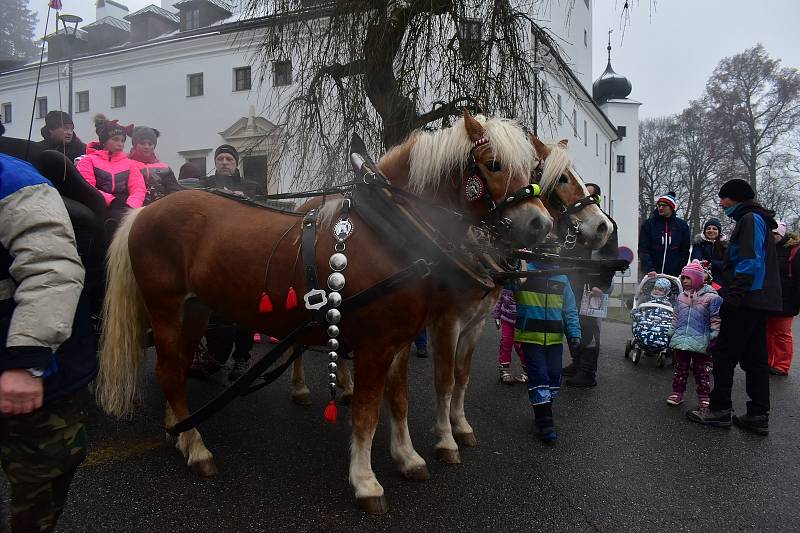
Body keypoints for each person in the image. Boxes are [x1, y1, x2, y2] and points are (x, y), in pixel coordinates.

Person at [0, 150, 97, 531]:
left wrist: (26, 359)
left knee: (43, 471)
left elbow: (51, 268)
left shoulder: (12, 179)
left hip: (25, 357)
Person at [687, 178, 781, 436]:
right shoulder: (757, 219)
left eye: (724, 198)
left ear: (736, 198)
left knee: (724, 355)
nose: (721, 202)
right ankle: (758, 414)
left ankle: (719, 410)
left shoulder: (750, 220)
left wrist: (734, 297)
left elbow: (750, 262)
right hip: (759, 300)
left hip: (747, 299)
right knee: (755, 359)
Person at [513, 261, 581, 443]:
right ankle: (545, 421)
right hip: (530, 337)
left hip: (554, 339)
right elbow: (504, 281)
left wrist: (574, 334)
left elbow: (569, 310)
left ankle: (543, 410)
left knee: (553, 377)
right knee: (539, 377)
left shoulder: (562, 278)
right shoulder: (523, 272)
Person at [563, 183, 618, 388]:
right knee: (573, 324)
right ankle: (576, 363)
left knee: (589, 326)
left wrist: (602, 285)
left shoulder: (606, 224)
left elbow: (611, 257)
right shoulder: (572, 223)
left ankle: (588, 372)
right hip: (574, 282)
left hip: (594, 285)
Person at [76, 115, 145, 241]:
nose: (120, 144)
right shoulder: (88, 161)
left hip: (126, 206)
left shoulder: (129, 163)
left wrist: (131, 205)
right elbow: (87, 186)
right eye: (115, 139)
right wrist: (111, 200)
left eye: (123, 140)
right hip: (99, 205)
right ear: (104, 141)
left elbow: (138, 188)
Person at [666, 261, 721, 408]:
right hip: (682, 339)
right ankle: (677, 393)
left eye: (688, 278)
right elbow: (676, 317)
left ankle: (704, 396)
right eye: (683, 278)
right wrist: (671, 332)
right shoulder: (681, 297)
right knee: (680, 369)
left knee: (701, 371)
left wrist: (714, 337)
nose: (684, 281)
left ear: (697, 278)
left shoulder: (712, 298)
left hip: (701, 340)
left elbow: (715, 319)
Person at [766, 221, 800, 376]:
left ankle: (782, 365)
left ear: (782, 233)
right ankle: (768, 362)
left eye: (775, 233)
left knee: (782, 333)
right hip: (768, 297)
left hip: (787, 298)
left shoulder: (794, 250)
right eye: (770, 233)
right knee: (768, 331)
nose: (772, 236)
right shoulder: (766, 248)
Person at [638, 191, 691, 277]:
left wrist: (679, 270)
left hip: (673, 275)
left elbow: (684, 251)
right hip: (652, 274)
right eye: (659, 205)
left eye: (664, 205)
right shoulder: (648, 224)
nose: (661, 208)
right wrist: (649, 269)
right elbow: (643, 249)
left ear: (671, 207)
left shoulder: (682, 226)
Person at [128, 126, 181, 205]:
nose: (147, 147)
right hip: (135, 207)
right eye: (142, 143)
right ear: (135, 145)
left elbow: (174, 191)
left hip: (160, 208)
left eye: (150, 144)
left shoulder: (164, 168)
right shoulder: (126, 164)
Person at [492, 287, 527, 384]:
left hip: (521, 321)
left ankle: (527, 370)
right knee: (506, 342)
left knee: (520, 345)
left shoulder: (526, 283)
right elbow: (500, 300)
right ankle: (504, 370)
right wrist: (496, 315)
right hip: (506, 319)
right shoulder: (506, 286)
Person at [690, 218, 727, 286]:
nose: (711, 230)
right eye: (708, 228)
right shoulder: (699, 244)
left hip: (721, 281)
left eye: (714, 229)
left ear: (719, 231)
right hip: (702, 280)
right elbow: (695, 260)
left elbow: (727, 263)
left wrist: (712, 264)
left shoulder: (725, 246)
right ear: (704, 231)